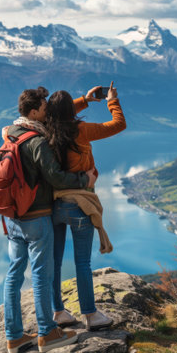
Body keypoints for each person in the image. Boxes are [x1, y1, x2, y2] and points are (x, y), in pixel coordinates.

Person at [3, 86, 96, 353]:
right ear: (34, 112)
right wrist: (84, 180)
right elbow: (56, 177)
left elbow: (59, 115)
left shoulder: (11, 133)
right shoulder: (38, 141)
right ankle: (48, 333)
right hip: (35, 216)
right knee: (42, 274)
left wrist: (84, 101)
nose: (48, 110)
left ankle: (14, 337)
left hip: (12, 217)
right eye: (44, 107)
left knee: (14, 274)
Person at [46, 82, 126, 331]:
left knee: (55, 262)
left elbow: (55, 114)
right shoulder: (81, 130)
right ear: (70, 111)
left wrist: (85, 99)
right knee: (82, 263)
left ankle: (58, 312)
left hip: (54, 204)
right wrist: (112, 100)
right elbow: (118, 125)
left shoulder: (45, 129)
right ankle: (91, 315)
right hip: (80, 202)